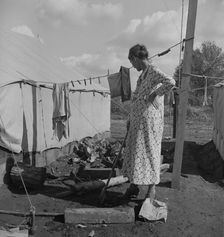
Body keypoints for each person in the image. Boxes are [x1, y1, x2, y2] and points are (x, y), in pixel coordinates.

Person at [122, 44, 176, 204]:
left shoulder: (152, 70)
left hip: (150, 122)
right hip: (138, 121)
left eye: (132, 62)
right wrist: (130, 118)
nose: (132, 66)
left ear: (136, 58)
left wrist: (154, 94)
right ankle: (134, 185)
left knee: (150, 152)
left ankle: (152, 188)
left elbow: (171, 81)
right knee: (135, 152)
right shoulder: (143, 75)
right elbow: (137, 98)